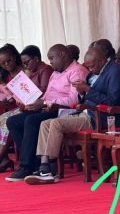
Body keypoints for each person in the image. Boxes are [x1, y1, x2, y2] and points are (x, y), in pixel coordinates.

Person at [25, 45, 120, 184]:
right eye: (88, 66)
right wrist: (82, 92)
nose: (90, 70)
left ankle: (47, 170)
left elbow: (114, 101)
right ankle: (45, 167)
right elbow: (86, 97)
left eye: (92, 66)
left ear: (102, 61)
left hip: (98, 117)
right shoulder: (93, 73)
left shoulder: (114, 71)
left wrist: (88, 90)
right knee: (45, 123)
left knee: (55, 123)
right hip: (83, 112)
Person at [5, 45, 88, 182]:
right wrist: (34, 103)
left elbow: (73, 100)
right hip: (47, 107)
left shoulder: (77, 71)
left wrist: (44, 104)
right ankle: (34, 163)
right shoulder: (55, 73)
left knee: (31, 121)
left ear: (62, 55)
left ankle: (26, 167)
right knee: (13, 121)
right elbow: (47, 95)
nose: (50, 62)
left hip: (63, 110)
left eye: (52, 59)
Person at [0, 45, 29, 172]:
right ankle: (5, 159)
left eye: (9, 60)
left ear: (14, 57)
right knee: (2, 118)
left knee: (6, 121)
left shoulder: (25, 71)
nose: (7, 64)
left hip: (27, 106)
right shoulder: (3, 75)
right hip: (13, 107)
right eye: (2, 63)